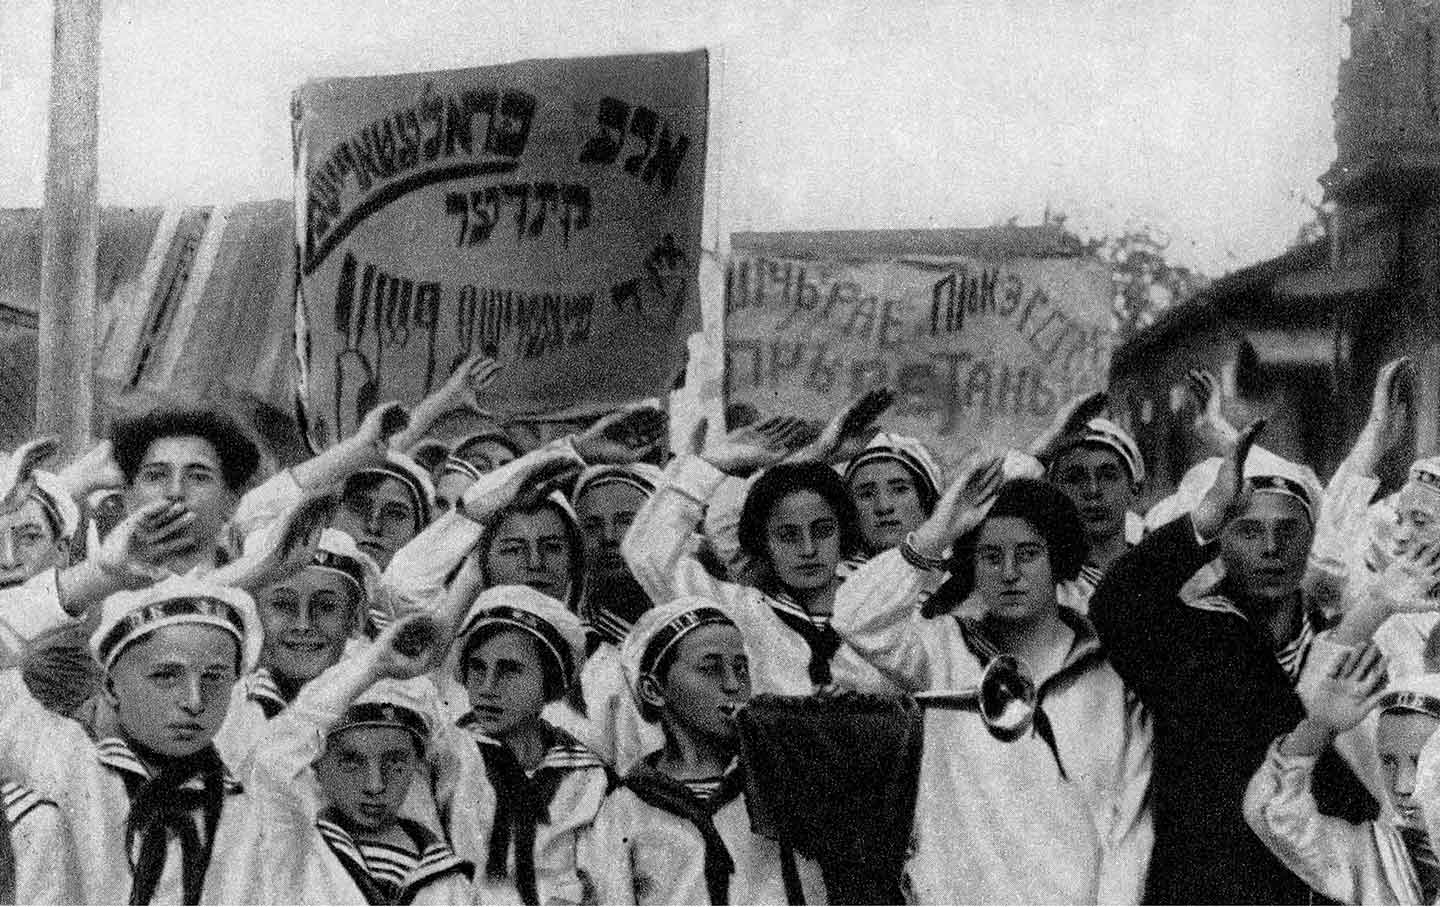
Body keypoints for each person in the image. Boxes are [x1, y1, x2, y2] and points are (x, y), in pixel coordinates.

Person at [834, 460, 1153, 904]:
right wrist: (935, 533)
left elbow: (1130, 827)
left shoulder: (1110, 667)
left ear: (1057, 557)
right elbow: (855, 620)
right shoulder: (942, 649)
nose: (1008, 573)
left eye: (1028, 554)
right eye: (990, 556)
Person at [1090, 421, 1377, 903]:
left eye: (1288, 530)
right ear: (1220, 544)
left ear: (1311, 538)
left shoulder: (1341, 640)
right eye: (1247, 531)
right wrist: (1206, 516)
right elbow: (1114, 605)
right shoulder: (1191, 638)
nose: (1271, 549)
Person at [0, 564, 261, 903]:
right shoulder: (63, 764)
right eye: (166, 675)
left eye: (214, 677)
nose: (194, 701)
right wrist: (100, 574)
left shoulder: (244, 797)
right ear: (109, 687)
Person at [623, 409, 903, 696]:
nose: (808, 550)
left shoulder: (886, 612)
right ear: (763, 544)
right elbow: (647, 553)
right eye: (787, 536)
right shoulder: (738, 611)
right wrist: (715, 463)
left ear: (844, 532)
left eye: (822, 531)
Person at [214, 613, 474, 905]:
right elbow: (271, 760)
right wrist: (373, 668)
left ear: (417, 764)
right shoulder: (297, 841)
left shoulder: (450, 878)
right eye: (351, 762)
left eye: (395, 763)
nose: (375, 785)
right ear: (316, 764)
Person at [581, 598, 826, 905]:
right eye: (710, 668)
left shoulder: (782, 786)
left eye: (740, 667)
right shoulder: (623, 811)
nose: (733, 684)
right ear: (653, 690)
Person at [447, 584, 609, 905]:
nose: (487, 687)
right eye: (477, 668)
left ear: (549, 682)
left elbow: (600, 881)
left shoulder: (588, 777)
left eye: (509, 670)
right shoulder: (447, 759)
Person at [214, 526, 382, 769]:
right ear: (252, 614)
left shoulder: (383, 702)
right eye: (282, 604)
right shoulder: (225, 712)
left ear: (356, 619)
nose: (303, 624)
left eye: (326, 607)